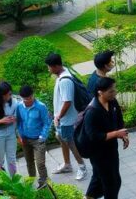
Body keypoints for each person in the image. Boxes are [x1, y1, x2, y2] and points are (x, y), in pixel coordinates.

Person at [83, 77, 129, 199]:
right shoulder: (92, 112)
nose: (114, 93)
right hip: (98, 154)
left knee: (100, 178)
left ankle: (88, 196)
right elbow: (92, 136)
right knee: (111, 183)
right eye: (111, 91)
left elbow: (119, 120)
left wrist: (123, 135)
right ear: (100, 92)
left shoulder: (112, 102)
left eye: (114, 90)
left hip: (111, 150)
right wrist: (116, 134)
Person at [46, 53, 87, 181]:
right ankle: (67, 164)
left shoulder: (65, 81)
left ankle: (82, 167)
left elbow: (67, 102)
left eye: (49, 67)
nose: (48, 69)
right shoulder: (62, 75)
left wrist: (58, 116)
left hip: (66, 120)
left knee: (69, 141)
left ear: (57, 66)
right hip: (62, 118)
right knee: (60, 137)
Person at [16, 85, 52, 189]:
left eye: (30, 98)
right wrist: (20, 135)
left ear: (33, 95)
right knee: (29, 162)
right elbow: (18, 121)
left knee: (40, 163)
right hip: (25, 139)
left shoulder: (41, 106)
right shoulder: (19, 107)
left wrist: (42, 136)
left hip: (38, 140)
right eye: (25, 99)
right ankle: (31, 182)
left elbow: (47, 122)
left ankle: (44, 184)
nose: (28, 101)